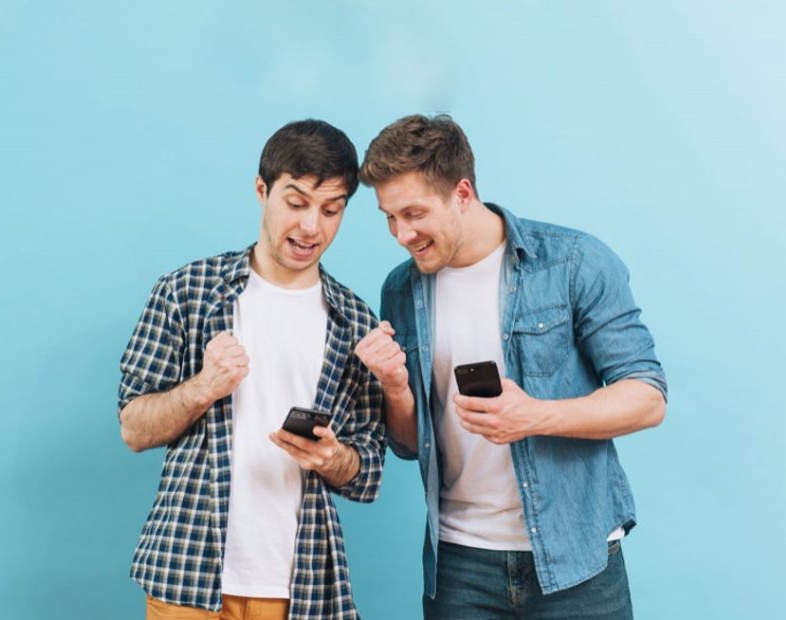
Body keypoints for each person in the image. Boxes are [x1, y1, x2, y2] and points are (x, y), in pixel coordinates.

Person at [354, 114, 667, 619]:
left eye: (413, 213)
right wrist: (395, 388)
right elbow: (410, 445)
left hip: (577, 560)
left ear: (462, 193)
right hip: (460, 566)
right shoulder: (401, 289)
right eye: (389, 217)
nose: (401, 234)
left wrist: (536, 416)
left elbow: (648, 396)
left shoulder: (574, 263)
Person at [118, 119, 385, 620]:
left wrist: (331, 457)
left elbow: (367, 473)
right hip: (187, 576)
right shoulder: (187, 292)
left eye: (331, 210)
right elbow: (133, 427)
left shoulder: (355, 322)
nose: (312, 227)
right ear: (262, 191)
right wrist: (202, 388)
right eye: (297, 202)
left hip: (302, 586)